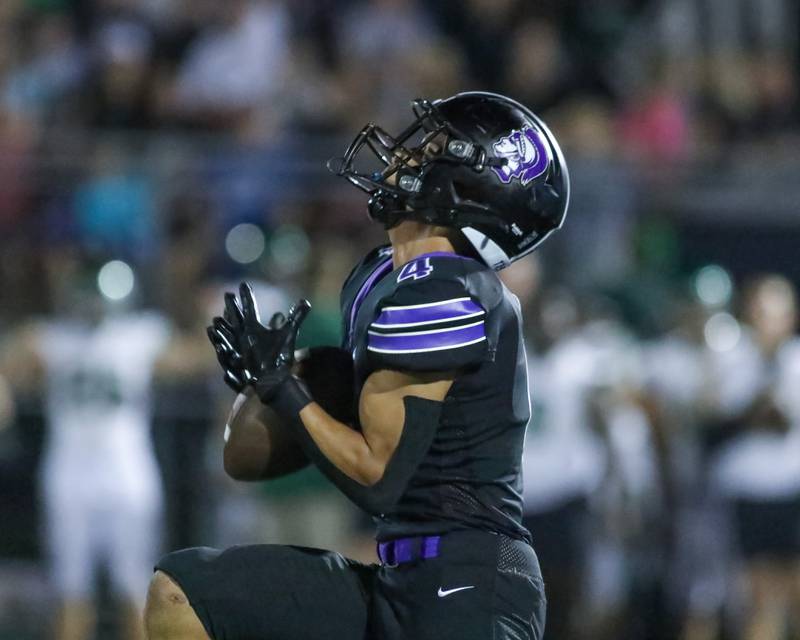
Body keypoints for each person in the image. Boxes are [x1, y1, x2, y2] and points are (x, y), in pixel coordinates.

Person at [144, 91, 570, 640]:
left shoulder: (449, 288)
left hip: (469, 583)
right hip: (402, 576)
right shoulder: (377, 277)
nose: (404, 156)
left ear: (469, 187)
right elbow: (244, 459)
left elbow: (377, 478)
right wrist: (267, 388)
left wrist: (285, 392)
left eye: (433, 149)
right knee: (185, 592)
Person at [0, 251, 170, 640]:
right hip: (72, 478)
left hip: (126, 478)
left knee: (136, 595)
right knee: (72, 597)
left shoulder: (140, 335)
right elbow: (13, 358)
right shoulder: (52, 338)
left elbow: (189, 357)